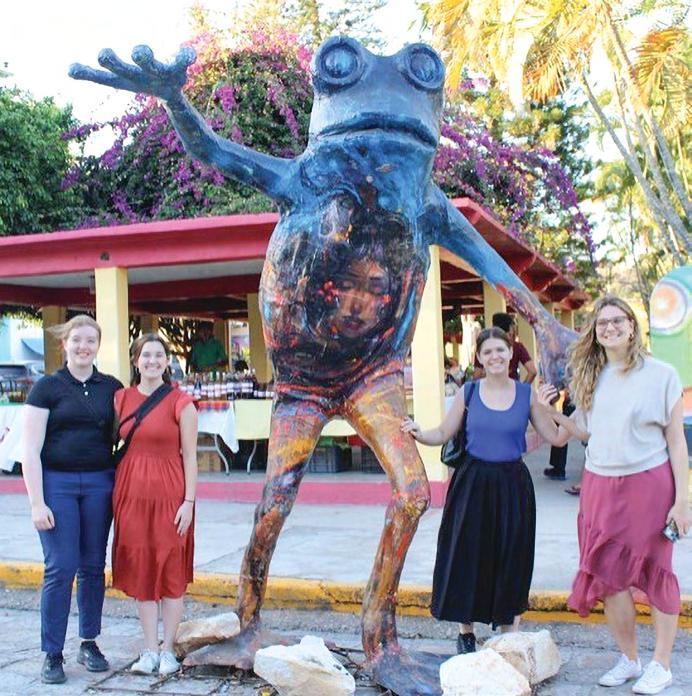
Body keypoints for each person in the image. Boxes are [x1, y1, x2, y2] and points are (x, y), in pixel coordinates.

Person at [537, 295, 689, 694]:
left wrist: (683, 501)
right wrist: (548, 410)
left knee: (657, 570)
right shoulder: (592, 376)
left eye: (617, 320)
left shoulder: (662, 375)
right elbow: (582, 432)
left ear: (632, 325)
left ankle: (661, 664)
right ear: (595, 332)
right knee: (608, 574)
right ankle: (629, 659)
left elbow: (676, 442)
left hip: (648, 485)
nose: (610, 327)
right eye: (602, 323)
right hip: (599, 485)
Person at [401, 327, 566, 652]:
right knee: (468, 555)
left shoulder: (526, 394)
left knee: (511, 557)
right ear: (479, 357)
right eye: (488, 351)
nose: (495, 356)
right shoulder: (469, 392)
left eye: (500, 350)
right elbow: (444, 433)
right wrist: (419, 432)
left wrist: (555, 410)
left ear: (511, 353)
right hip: (472, 484)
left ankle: (508, 633)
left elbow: (557, 438)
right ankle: (466, 633)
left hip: (512, 486)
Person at [22, 315, 123, 684]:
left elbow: (124, 434)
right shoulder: (46, 387)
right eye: (77, 339)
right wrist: (37, 503)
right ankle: (52, 652)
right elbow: (29, 450)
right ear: (64, 343)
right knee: (61, 566)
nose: (83, 346)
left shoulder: (111, 387)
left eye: (90, 340)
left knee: (93, 566)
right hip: (57, 484)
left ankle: (89, 642)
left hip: (99, 483)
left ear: (98, 345)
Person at [112, 334, 198, 676]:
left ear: (167, 361)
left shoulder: (181, 402)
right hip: (130, 493)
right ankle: (149, 649)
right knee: (142, 568)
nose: (152, 361)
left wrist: (189, 501)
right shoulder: (120, 399)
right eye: (145, 355)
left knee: (171, 568)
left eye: (158, 355)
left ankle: (168, 650)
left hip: (171, 496)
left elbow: (190, 456)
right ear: (136, 361)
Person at [473, 312, 536, 383]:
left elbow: (476, 377)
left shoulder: (484, 348)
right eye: (511, 333)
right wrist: (522, 388)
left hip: (490, 388)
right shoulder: (517, 347)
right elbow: (532, 371)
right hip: (512, 387)